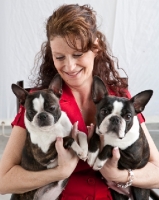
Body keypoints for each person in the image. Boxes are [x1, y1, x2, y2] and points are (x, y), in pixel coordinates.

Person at [0, 4, 159, 200]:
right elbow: (3, 181)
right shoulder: (40, 100)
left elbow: (156, 173)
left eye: (77, 55)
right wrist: (59, 172)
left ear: (96, 47)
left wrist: (119, 175)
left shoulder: (120, 98)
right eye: (59, 57)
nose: (69, 66)